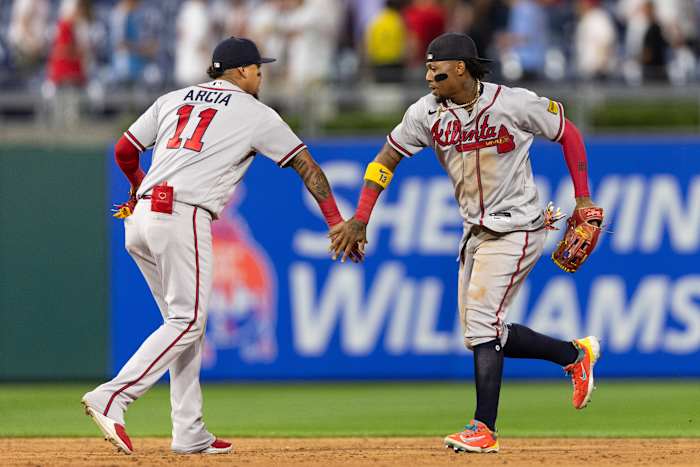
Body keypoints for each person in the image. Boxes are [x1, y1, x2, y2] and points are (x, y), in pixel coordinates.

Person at [330, 32, 602, 453]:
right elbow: (385, 158)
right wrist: (361, 217)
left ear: (460, 67)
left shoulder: (512, 103)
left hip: (518, 226)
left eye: (434, 67)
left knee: (481, 325)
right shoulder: (425, 113)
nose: (427, 76)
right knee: (483, 332)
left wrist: (582, 196)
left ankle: (484, 429)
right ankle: (573, 355)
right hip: (473, 230)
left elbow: (569, 134)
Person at [82, 36, 349, 455]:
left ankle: (189, 431)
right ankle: (113, 397)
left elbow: (124, 150)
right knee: (187, 322)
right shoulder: (256, 113)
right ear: (241, 71)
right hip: (181, 214)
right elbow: (306, 166)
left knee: (186, 323)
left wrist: (140, 189)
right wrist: (335, 221)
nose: (261, 74)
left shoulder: (173, 98)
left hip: (140, 217)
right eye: (258, 68)